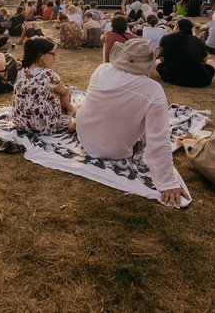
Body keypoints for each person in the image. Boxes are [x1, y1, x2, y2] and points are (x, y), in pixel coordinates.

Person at [76, 39, 188, 208]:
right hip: (114, 149)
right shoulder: (153, 90)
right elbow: (158, 138)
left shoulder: (102, 69)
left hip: (84, 136)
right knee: (146, 133)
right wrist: (167, 183)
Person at [12, 37, 76, 134]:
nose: (55, 58)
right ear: (41, 55)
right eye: (52, 54)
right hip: (42, 127)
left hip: (20, 123)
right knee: (62, 93)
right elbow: (65, 91)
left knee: (53, 92)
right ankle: (71, 111)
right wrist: (68, 90)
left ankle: (68, 110)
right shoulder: (47, 74)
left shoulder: (22, 71)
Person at [155, 18, 215, 88]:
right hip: (199, 80)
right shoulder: (197, 41)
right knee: (212, 62)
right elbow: (205, 60)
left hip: (172, 77)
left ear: (177, 26)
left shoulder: (166, 38)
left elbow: (162, 60)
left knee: (157, 61)